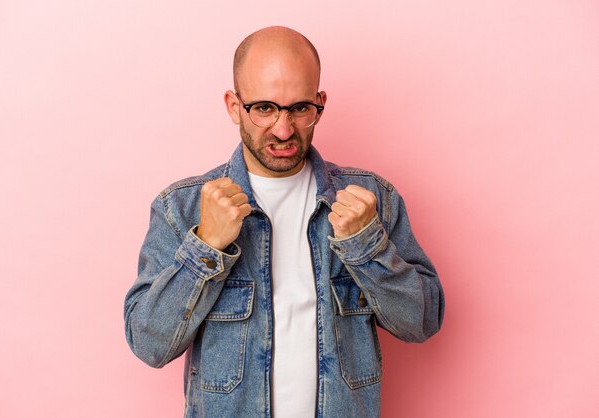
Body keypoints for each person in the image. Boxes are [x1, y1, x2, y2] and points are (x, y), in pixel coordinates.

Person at [124, 26, 444, 418]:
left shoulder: (370, 200)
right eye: (264, 108)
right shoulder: (183, 207)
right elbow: (149, 343)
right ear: (233, 106)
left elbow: (422, 323)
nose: (283, 128)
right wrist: (206, 247)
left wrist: (366, 248)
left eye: (299, 108)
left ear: (319, 103)